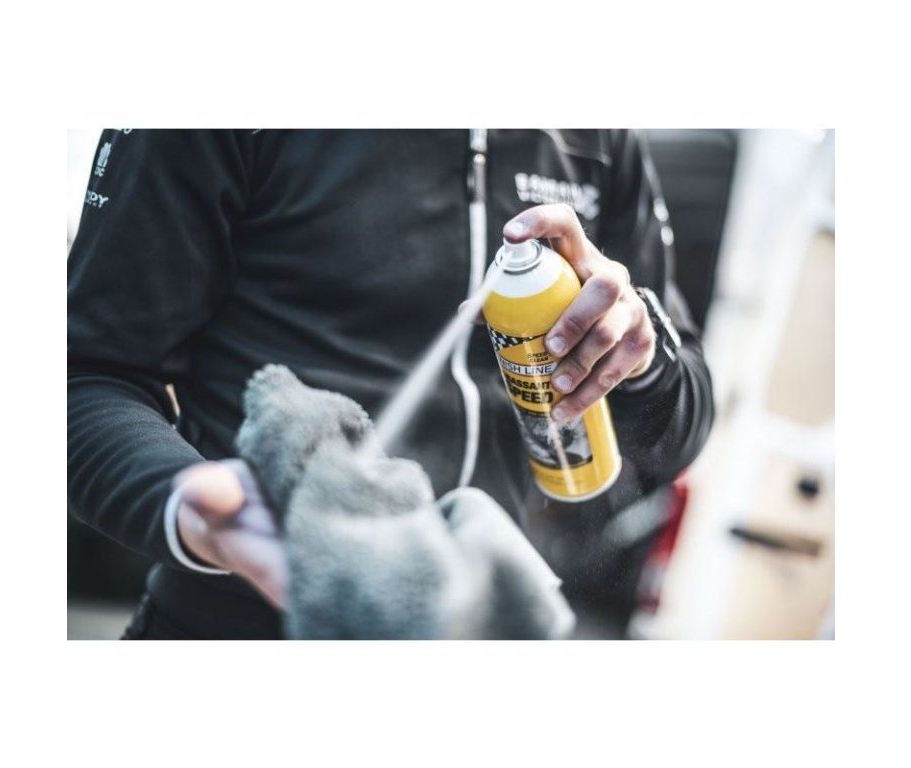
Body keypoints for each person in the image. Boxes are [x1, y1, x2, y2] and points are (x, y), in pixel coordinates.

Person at [68, 129, 713, 639]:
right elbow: (85, 377)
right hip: (238, 624)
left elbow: (682, 429)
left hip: (479, 632)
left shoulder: (600, 137)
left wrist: (641, 360)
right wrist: (196, 513)